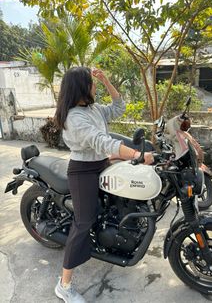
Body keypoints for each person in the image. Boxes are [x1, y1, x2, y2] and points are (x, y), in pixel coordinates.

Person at [54, 66, 154, 303]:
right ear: (81, 87)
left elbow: (119, 108)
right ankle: (64, 285)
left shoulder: (93, 109)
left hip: (101, 162)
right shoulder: (74, 117)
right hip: (83, 170)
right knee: (83, 221)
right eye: (92, 82)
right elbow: (102, 141)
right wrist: (135, 155)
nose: (95, 86)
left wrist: (106, 79)